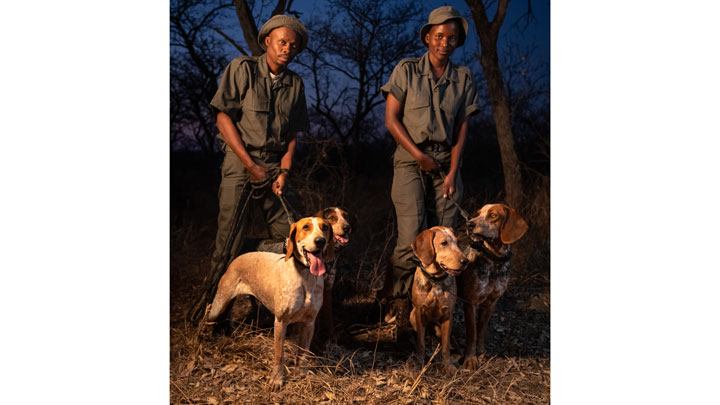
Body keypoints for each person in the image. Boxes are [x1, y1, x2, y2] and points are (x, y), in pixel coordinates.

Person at [379, 6, 481, 324]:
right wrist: (418, 156)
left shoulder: (463, 77)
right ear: (427, 37)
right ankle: (396, 300)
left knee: (446, 233)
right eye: (439, 36)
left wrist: (453, 171)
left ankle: (439, 303)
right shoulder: (406, 70)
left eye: (452, 38)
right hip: (411, 159)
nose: (445, 43)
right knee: (413, 234)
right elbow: (391, 120)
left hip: (446, 164)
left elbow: (463, 127)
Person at [208, 14, 310, 280]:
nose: (287, 48)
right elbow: (222, 117)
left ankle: (274, 298)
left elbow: (291, 136)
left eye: (293, 45)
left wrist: (284, 173)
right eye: (282, 42)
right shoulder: (242, 69)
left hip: (275, 166)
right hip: (241, 161)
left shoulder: (295, 84)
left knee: (292, 236)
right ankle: (213, 311)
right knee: (229, 238)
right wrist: (250, 165)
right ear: (267, 41)